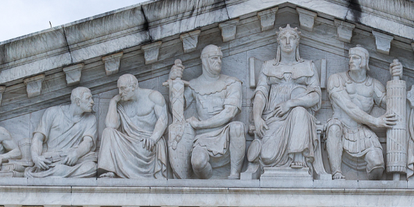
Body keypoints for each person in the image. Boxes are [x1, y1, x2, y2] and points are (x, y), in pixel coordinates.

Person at [247, 25, 321, 173]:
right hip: (273, 118)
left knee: (299, 111)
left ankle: (298, 157)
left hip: (301, 120)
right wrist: (257, 118)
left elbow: (315, 97)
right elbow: (261, 93)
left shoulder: (309, 66)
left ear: (297, 42)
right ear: (278, 42)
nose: (287, 41)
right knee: (267, 157)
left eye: (292, 38)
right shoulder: (268, 66)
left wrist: (290, 104)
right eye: (283, 38)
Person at [166, 46, 245, 179]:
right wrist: (174, 81)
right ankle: (207, 185)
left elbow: (229, 113)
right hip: (203, 137)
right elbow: (176, 110)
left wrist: (200, 125)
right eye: (214, 58)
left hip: (225, 132)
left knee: (237, 127)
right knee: (197, 162)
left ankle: (234, 174)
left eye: (220, 58)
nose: (219, 61)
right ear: (204, 61)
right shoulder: (194, 84)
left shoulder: (231, 82)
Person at [325, 46, 398, 180]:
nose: (351, 61)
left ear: (365, 61)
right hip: (340, 127)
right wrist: (376, 121)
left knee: (377, 164)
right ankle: (336, 172)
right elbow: (348, 106)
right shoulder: (336, 79)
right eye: (350, 57)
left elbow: (392, 104)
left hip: (361, 130)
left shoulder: (373, 85)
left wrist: (396, 78)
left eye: (356, 58)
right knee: (333, 128)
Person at [97, 74, 168, 179]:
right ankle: (110, 170)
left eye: (123, 88)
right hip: (128, 143)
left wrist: (153, 138)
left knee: (148, 145)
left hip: (147, 144)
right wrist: (113, 102)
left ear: (133, 86)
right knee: (108, 132)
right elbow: (111, 125)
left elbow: (163, 119)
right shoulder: (122, 103)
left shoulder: (153, 96)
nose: (120, 93)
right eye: (119, 89)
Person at [25, 86, 98, 179]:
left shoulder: (90, 119)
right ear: (78, 101)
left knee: (92, 167)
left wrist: (76, 154)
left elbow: (88, 142)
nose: (92, 102)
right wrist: (36, 158)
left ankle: (56, 174)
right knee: (58, 169)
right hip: (52, 161)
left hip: (75, 161)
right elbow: (38, 139)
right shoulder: (52, 112)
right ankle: (57, 173)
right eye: (88, 98)